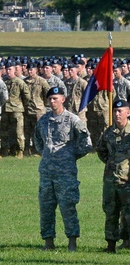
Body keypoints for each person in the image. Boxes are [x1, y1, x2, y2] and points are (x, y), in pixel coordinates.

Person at [35, 86, 91, 251]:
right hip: (46, 172)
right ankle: (48, 241)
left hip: (65, 173)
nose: (52, 102)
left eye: (55, 98)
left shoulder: (72, 120)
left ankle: (72, 241)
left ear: (63, 99)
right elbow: (38, 140)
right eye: (50, 99)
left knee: (68, 207)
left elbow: (86, 143)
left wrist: (70, 156)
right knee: (46, 208)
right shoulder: (44, 120)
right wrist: (47, 154)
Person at [95, 97, 130, 254]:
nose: (117, 114)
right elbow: (101, 150)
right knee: (110, 212)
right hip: (111, 180)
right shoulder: (108, 132)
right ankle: (111, 244)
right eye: (115, 111)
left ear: (128, 112)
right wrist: (111, 163)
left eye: (120, 111)